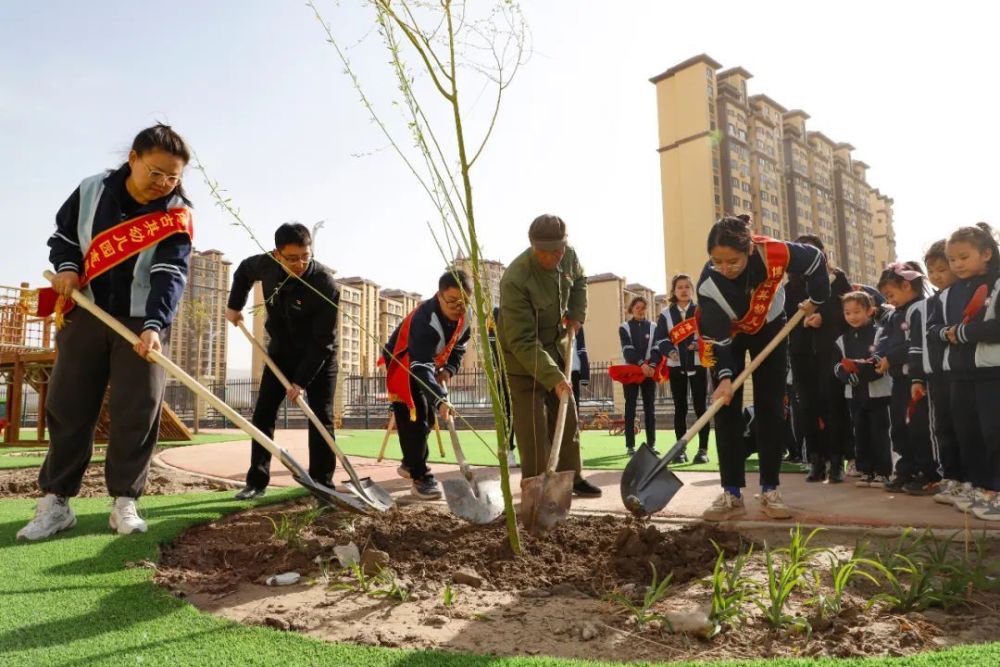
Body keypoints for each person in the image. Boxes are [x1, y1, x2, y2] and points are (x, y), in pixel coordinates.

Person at [18, 124, 193, 541]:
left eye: (173, 177)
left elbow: (170, 272)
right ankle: (57, 502)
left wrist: (154, 325)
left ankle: (124, 502)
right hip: (86, 311)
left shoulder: (175, 213)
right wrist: (67, 268)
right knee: (70, 406)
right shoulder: (91, 190)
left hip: (140, 323)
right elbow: (63, 238)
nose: (164, 184)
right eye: (156, 173)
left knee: (138, 408)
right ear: (133, 158)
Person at [696, 214, 829, 521]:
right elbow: (718, 343)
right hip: (729, 333)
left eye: (733, 261)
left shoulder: (776, 252)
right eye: (717, 261)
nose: (725, 268)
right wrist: (725, 378)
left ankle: (770, 490)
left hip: (771, 326)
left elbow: (815, 262)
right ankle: (731, 493)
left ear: (749, 251)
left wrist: (817, 297)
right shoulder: (708, 286)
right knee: (725, 407)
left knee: (771, 405)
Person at [225, 223, 340, 500]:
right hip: (280, 353)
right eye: (293, 258)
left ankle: (323, 486)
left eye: (305, 256)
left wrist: (301, 381)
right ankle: (256, 481)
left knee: (321, 418)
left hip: (319, 358)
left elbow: (323, 341)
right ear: (277, 254)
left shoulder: (325, 283)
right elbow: (242, 271)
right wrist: (234, 305)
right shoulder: (265, 265)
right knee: (263, 414)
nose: (300, 263)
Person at [497, 214, 601, 498]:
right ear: (533, 247)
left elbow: (579, 280)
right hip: (523, 357)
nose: (553, 257)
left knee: (566, 417)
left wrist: (576, 314)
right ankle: (535, 486)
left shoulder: (569, 257)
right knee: (532, 427)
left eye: (557, 250)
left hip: (555, 346)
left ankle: (572, 477)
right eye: (544, 252)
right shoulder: (516, 279)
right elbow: (522, 340)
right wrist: (553, 377)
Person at [928, 223, 1000, 520]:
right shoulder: (948, 294)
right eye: (952, 259)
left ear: (985, 253)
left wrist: (965, 332)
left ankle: (997, 492)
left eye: (963, 257)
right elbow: (932, 329)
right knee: (967, 434)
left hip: (991, 372)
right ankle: (980, 487)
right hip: (958, 373)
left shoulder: (996, 283)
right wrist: (947, 333)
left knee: (993, 433)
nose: (956, 264)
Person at [382, 270, 472, 499]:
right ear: (439, 296)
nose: (458, 307)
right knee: (416, 417)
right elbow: (420, 367)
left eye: (464, 302)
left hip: (428, 363)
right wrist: (440, 398)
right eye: (451, 301)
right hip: (403, 362)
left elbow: (459, 347)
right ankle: (420, 476)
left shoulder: (466, 317)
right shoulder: (424, 320)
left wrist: (449, 370)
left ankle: (410, 463)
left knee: (428, 419)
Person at [785, 235, 852, 484]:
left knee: (832, 404)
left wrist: (825, 318)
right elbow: (786, 319)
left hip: (829, 350)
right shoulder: (790, 287)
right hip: (801, 352)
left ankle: (837, 461)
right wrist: (803, 321)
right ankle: (816, 460)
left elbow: (848, 311)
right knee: (807, 407)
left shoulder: (836, 279)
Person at [874, 261, 937, 494]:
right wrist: (880, 358)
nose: (889, 301)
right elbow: (884, 342)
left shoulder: (921, 308)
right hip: (898, 381)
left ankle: (928, 472)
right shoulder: (893, 315)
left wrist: (892, 357)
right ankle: (906, 468)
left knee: (919, 427)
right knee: (899, 428)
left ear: (907, 285)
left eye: (891, 294)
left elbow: (916, 342)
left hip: (916, 379)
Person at [833, 291, 893, 488]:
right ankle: (866, 470)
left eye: (857, 311)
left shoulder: (880, 333)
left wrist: (860, 373)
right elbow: (837, 366)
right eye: (847, 313)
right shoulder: (842, 340)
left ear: (870, 311)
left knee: (880, 433)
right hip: (854, 395)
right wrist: (846, 375)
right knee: (860, 433)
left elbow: (880, 361)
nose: (852, 316)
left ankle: (883, 473)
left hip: (879, 394)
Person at [920, 241, 962, 505]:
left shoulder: (964, 294)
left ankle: (970, 480)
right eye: (931, 271)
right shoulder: (934, 301)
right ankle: (952, 477)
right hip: (937, 373)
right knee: (944, 428)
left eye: (942, 269)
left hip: (959, 372)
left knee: (965, 428)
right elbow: (932, 329)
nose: (936, 276)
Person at [655, 273, 710, 463]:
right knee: (680, 408)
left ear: (692, 290)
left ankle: (703, 450)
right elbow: (661, 338)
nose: (684, 290)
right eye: (680, 287)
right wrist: (670, 351)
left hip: (697, 363)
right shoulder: (665, 314)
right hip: (675, 364)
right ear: (674, 291)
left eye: (687, 286)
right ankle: (680, 449)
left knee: (701, 407)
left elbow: (709, 333)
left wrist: (698, 344)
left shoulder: (700, 310)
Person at [619, 296, 660, 457]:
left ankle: (652, 444)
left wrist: (652, 365)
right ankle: (630, 445)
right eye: (637, 307)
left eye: (643, 307)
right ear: (632, 309)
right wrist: (641, 363)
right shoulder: (624, 327)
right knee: (630, 407)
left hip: (649, 372)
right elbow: (627, 350)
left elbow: (657, 349)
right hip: (631, 371)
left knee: (650, 408)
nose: (640, 310)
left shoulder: (653, 327)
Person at [487, 305, 517, 468]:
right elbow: (492, 348)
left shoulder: (521, 311)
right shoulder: (495, 315)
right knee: (507, 414)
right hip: (503, 376)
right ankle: (508, 450)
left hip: (522, 372)